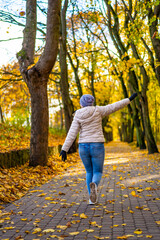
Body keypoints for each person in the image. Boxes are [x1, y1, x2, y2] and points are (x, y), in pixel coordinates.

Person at [60, 93, 137, 204]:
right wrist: (129, 99)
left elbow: (72, 133)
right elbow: (115, 106)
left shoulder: (78, 115)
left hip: (83, 146)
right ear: (92, 102)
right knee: (97, 171)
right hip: (97, 145)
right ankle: (94, 184)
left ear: (81, 104)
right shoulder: (98, 110)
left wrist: (64, 149)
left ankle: (92, 200)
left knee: (89, 172)